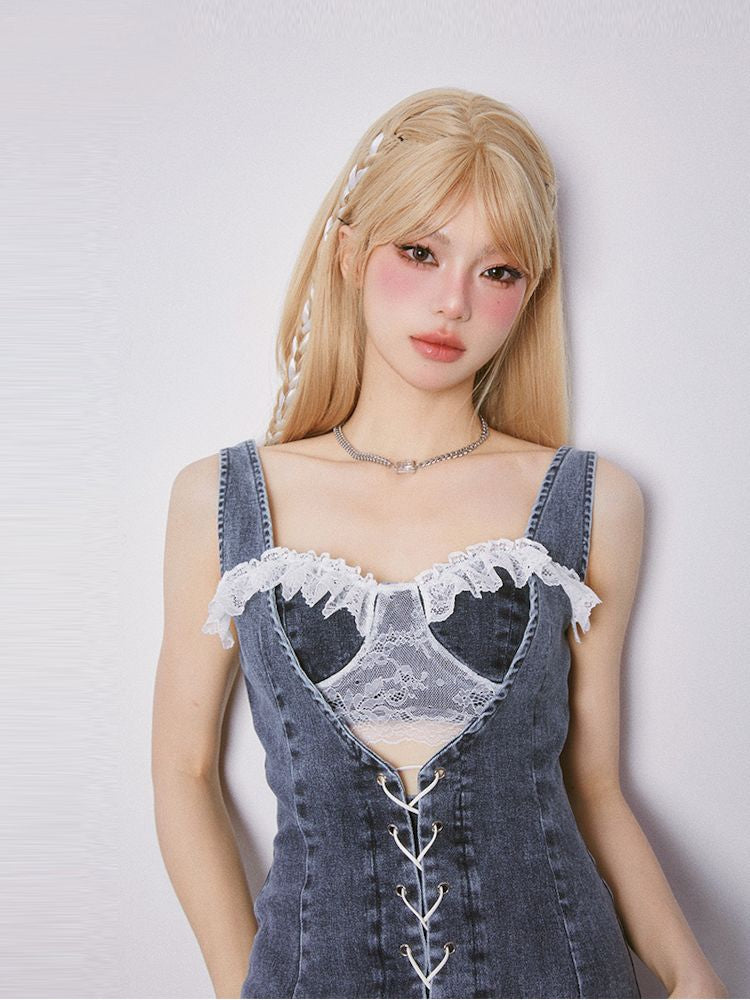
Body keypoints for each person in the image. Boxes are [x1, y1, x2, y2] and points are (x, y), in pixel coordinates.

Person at [152, 88, 727, 999]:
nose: (452, 302)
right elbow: (183, 776)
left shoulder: (591, 502)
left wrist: (692, 976)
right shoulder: (222, 500)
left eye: (498, 271)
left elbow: (595, 785)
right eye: (419, 252)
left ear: (528, 295)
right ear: (349, 253)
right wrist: (243, 987)